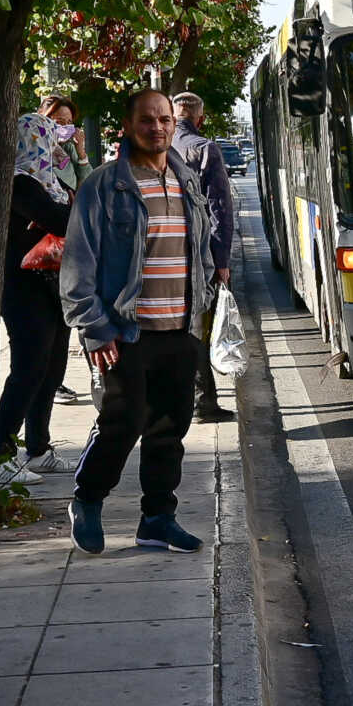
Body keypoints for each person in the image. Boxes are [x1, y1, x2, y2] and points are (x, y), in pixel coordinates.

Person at [61, 89, 221, 555]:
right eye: (147, 120)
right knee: (123, 421)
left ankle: (157, 518)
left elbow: (203, 249)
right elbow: (78, 263)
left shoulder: (186, 178)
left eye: (165, 119)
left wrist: (204, 300)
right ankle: (87, 498)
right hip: (126, 332)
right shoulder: (105, 185)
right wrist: (94, 327)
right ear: (128, 126)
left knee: (170, 428)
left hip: (181, 328)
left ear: (175, 123)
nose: (158, 127)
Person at [0, 111, 76, 474]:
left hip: (52, 286)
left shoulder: (48, 181)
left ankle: (39, 449)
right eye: (46, 138)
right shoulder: (19, 182)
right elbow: (60, 219)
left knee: (51, 368)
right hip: (22, 288)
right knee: (28, 368)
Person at [171, 91, 237, 424]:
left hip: (163, 256)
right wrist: (221, 261)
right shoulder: (204, 149)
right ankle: (202, 402)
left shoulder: (160, 149)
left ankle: (189, 400)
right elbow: (220, 210)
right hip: (200, 256)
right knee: (200, 328)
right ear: (200, 116)